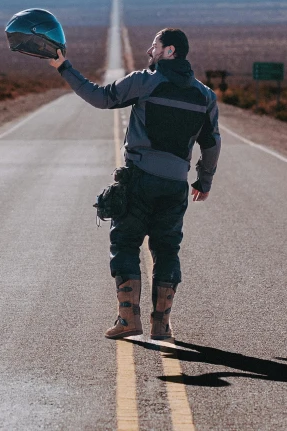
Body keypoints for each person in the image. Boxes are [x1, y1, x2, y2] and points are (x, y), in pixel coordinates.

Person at [49, 28, 220, 340]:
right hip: (175, 186)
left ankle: (129, 319)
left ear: (170, 51)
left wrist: (64, 68)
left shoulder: (146, 81)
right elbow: (212, 144)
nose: (148, 51)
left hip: (140, 179)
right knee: (167, 249)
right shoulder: (205, 96)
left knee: (126, 244)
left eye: (154, 46)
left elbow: (100, 98)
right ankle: (161, 325)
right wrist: (203, 181)